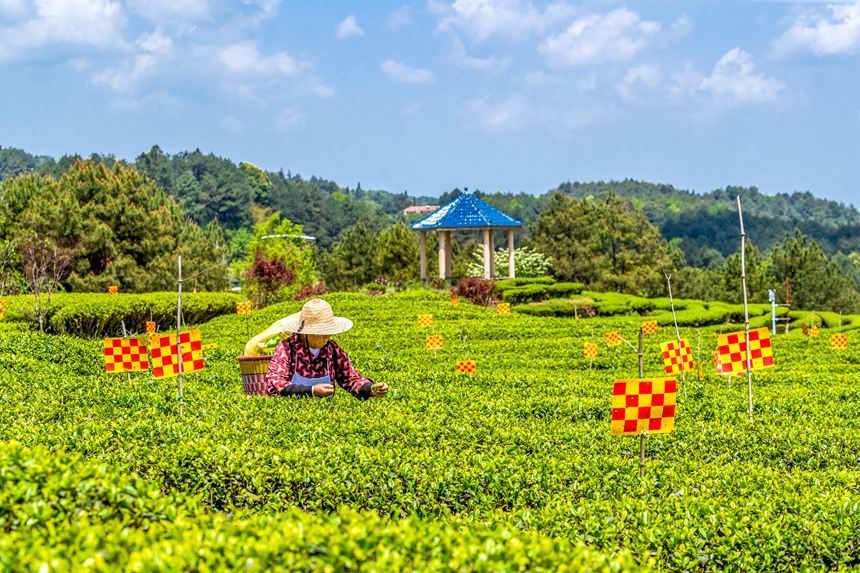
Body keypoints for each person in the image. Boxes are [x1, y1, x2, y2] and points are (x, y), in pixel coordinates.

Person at [257, 298, 388, 399]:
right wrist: (312, 391)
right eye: (319, 334)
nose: (326, 337)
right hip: (289, 417)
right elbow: (275, 383)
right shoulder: (287, 348)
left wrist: (370, 389)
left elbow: (350, 378)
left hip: (325, 414)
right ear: (305, 333)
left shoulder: (332, 349)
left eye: (328, 333)